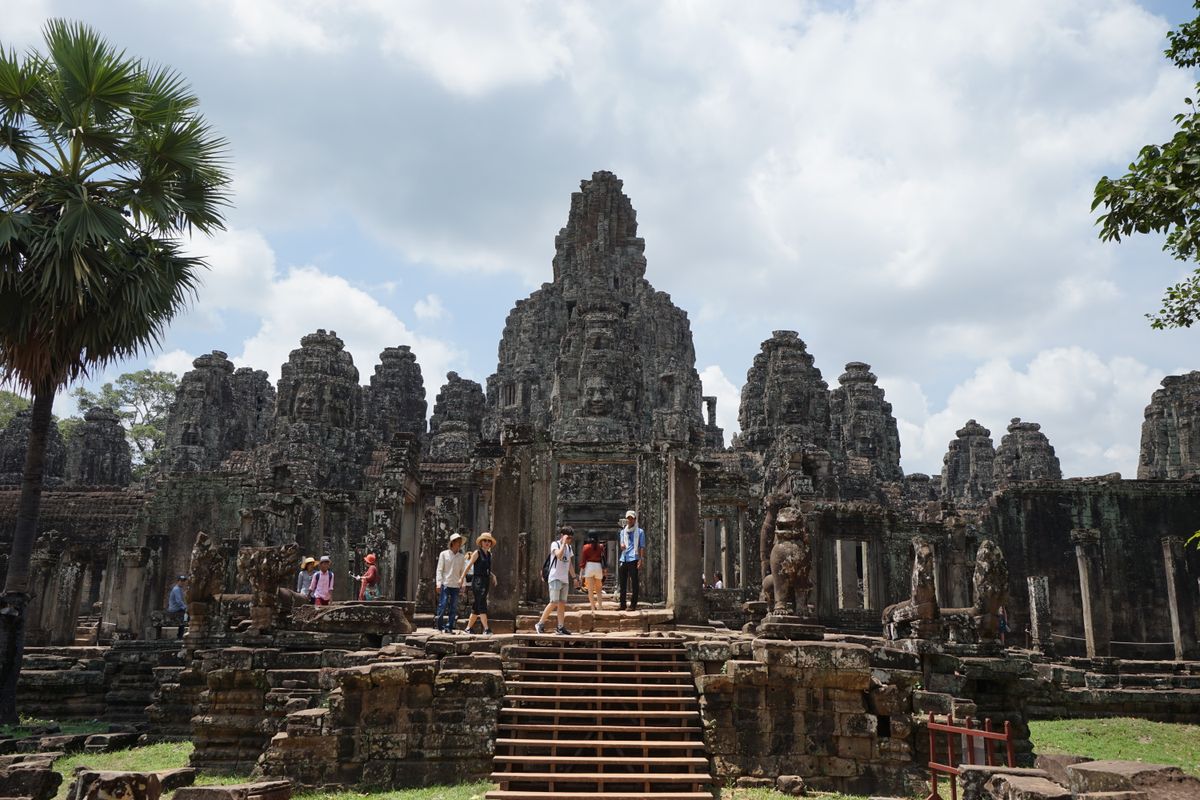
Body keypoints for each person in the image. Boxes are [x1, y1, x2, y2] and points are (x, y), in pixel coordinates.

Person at [535, 526, 578, 635]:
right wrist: (563, 543)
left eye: (570, 539)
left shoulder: (569, 548)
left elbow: (569, 564)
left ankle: (560, 627)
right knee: (553, 601)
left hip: (564, 579)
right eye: (568, 538)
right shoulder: (555, 544)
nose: (569, 540)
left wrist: (574, 578)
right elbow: (559, 555)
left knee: (562, 603)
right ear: (562, 536)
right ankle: (540, 623)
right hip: (555, 577)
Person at [464, 532, 497, 635]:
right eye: (485, 541)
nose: (487, 543)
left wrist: (493, 576)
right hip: (477, 581)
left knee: (476, 606)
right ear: (481, 542)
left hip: (485, 580)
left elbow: (485, 569)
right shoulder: (477, 553)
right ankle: (486, 629)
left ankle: (468, 628)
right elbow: (469, 566)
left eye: (489, 541)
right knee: (482, 603)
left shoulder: (489, 554)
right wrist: (461, 578)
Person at [434, 533, 467, 633]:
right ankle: (439, 625)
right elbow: (439, 569)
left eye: (460, 542)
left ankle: (449, 626)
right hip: (445, 583)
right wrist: (438, 583)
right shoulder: (443, 554)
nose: (459, 544)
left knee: (453, 607)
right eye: (458, 541)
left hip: (456, 584)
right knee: (442, 605)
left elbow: (463, 571)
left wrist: (463, 584)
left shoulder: (461, 557)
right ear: (452, 543)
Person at [617, 510, 645, 611]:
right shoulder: (622, 532)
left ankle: (633, 605)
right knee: (622, 583)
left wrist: (641, 559)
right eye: (628, 518)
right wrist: (622, 545)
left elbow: (642, 546)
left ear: (634, 519)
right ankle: (622, 604)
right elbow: (621, 544)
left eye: (631, 518)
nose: (629, 520)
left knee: (634, 582)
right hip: (624, 558)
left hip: (634, 558)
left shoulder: (640, 532)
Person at [580, 531, 606, 611]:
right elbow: (604, 559)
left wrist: (581, 573)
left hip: (589, 566)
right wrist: (604, 570)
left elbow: (583, 561)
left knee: (590, 590)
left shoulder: (586, 547)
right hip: (598, 566)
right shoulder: (601, 546)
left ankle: (592, 607)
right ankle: (600, 607)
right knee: (599, 589)